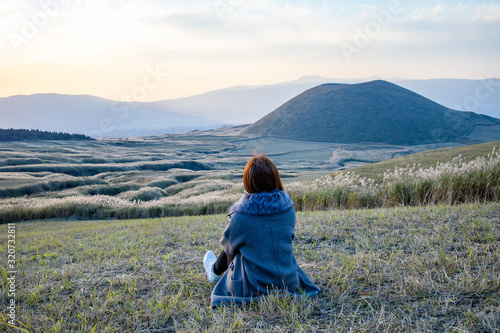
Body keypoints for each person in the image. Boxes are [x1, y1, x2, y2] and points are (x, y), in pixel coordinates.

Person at [203, 155, 321, 307]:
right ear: (275, 178)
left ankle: (213, 273)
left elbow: (228, 251)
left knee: (236, 247)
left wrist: (222, 272)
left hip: (253, 288)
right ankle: (214, 271)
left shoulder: (240, 216)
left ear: (248, 181)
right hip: (289, 284)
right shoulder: (288, 210)